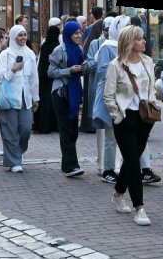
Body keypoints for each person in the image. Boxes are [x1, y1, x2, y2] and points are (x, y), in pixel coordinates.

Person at [103, 25, 162, 226]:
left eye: (143, 38)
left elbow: (151, 88)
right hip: (125, 117)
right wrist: (117, 115)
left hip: (145, 118)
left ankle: (118, 194)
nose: (144, 41)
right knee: (134, 163)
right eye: (139, 39)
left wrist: (153, 103)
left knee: (131, 160)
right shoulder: (116, 65)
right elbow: (108, 95)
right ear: (129, 42)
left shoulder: (147, 62)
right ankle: (140, 208)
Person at [0, 25, 38, 173]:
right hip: (9, 98)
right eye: (20, 35)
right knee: (10, 131)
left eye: (25, 35)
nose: (23, 38)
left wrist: (35, 97)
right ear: (13, 37)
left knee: (26, 129)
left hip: (26, 98)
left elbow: (34, 78)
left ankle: (17, 152)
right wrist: (13, 70)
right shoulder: (5, 55)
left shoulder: (30, 54)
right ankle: (14, 161)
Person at [47, 20, 88, 177]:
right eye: (75, 33)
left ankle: (67, 164)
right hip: (61, 93)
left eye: (80, 33)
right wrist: (69, 70)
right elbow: (50, 72)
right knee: (66, 130)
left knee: (73, 130)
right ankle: (72, 166)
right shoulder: (59, 50)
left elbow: (80, 70)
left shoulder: (78, 49)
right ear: (68, 34)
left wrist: (83, 69)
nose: (79, 36)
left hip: (74, 92)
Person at [90, 18, 123, 182]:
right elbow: (103, 71)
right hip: (111, 96)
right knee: (110, 135)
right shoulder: (107, 46)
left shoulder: (125, 45)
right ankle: (107, 169)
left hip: (124, 97)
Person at [33, 22, 61, 133]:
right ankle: (51, 125)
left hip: (42, 76)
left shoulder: (44, 45)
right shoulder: (57, 46)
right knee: (51, 101)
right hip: (52, 77)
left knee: (43, 100)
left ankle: (41, 124)